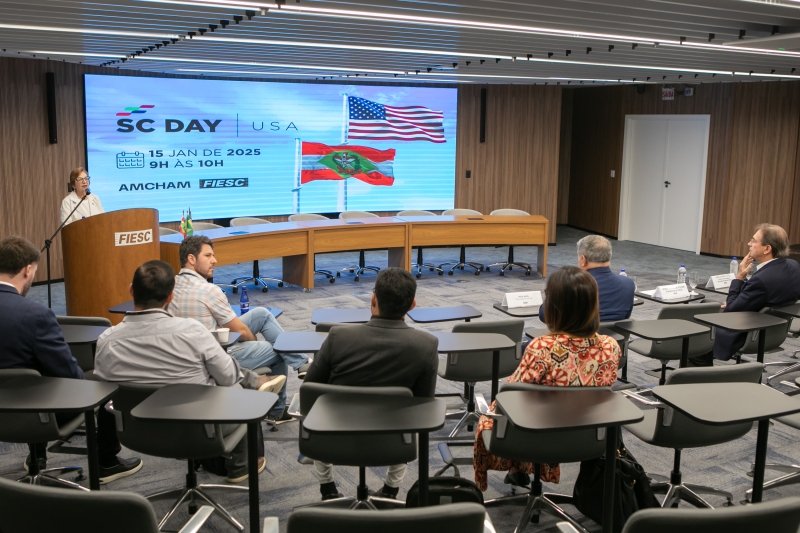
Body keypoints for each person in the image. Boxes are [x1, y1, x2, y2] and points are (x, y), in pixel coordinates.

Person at [94, 260, 284, 483]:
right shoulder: (192, 331)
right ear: (170, 297)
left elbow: (105, 389)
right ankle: (241, 466)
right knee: (235, 385)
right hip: (199, 431)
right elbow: (229, 377)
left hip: (135, 432)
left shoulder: (106, 340)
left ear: (131, 291)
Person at [0, 236, 141, 483]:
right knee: (106, 375)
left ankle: (37, 455)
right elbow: (70, 378)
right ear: (27, 270)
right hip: (34, 414)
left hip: (7, 411)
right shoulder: (36, 316)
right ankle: (107, 462)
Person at [474, 266, 620, 491]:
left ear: (553, 306)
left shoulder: (543, 347)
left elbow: (512, 394)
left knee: (500, 411)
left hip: (539, 431)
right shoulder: (610, 347)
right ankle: (519, 471)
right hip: (585, 433)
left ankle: (517, 469)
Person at [304, 267, 439, 501]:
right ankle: (390, 490)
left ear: (373, 299)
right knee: (409, 413)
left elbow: (310, 390)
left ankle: (328, 489)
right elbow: (423, 405)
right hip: (393, 443)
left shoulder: (338, 337)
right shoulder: (426, 345)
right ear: (413, 305)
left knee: (318, 401)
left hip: (332, 439)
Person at [167, 235, 308, 424]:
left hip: (186, 353)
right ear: (191, 259)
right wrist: (253, 341)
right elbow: (240, 332)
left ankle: (301, 364)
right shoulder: (208, 290)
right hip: (217, 356)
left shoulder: (169, 287)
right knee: (278, 347)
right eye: (208, 255)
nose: (214, 260)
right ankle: (276, 411)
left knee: (261, 314)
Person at [691, 224, 800, 366]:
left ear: (767, 249)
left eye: (754, 241)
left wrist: (739, 278)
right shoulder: (793, 265)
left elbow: (731, 311)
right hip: (775, 330)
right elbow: (763, 295)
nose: (749, 244)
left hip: (750, 332)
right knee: (707, 305)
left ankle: (699, 379)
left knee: (696, 337)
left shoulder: (762, 280)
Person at [539, 234, 635, 323]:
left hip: (575, 340)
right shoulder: (628, 283)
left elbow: (545, 316)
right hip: (614, 339)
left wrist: (551, 294)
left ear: (583, 260)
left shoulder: (570, 284)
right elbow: (626, 317)